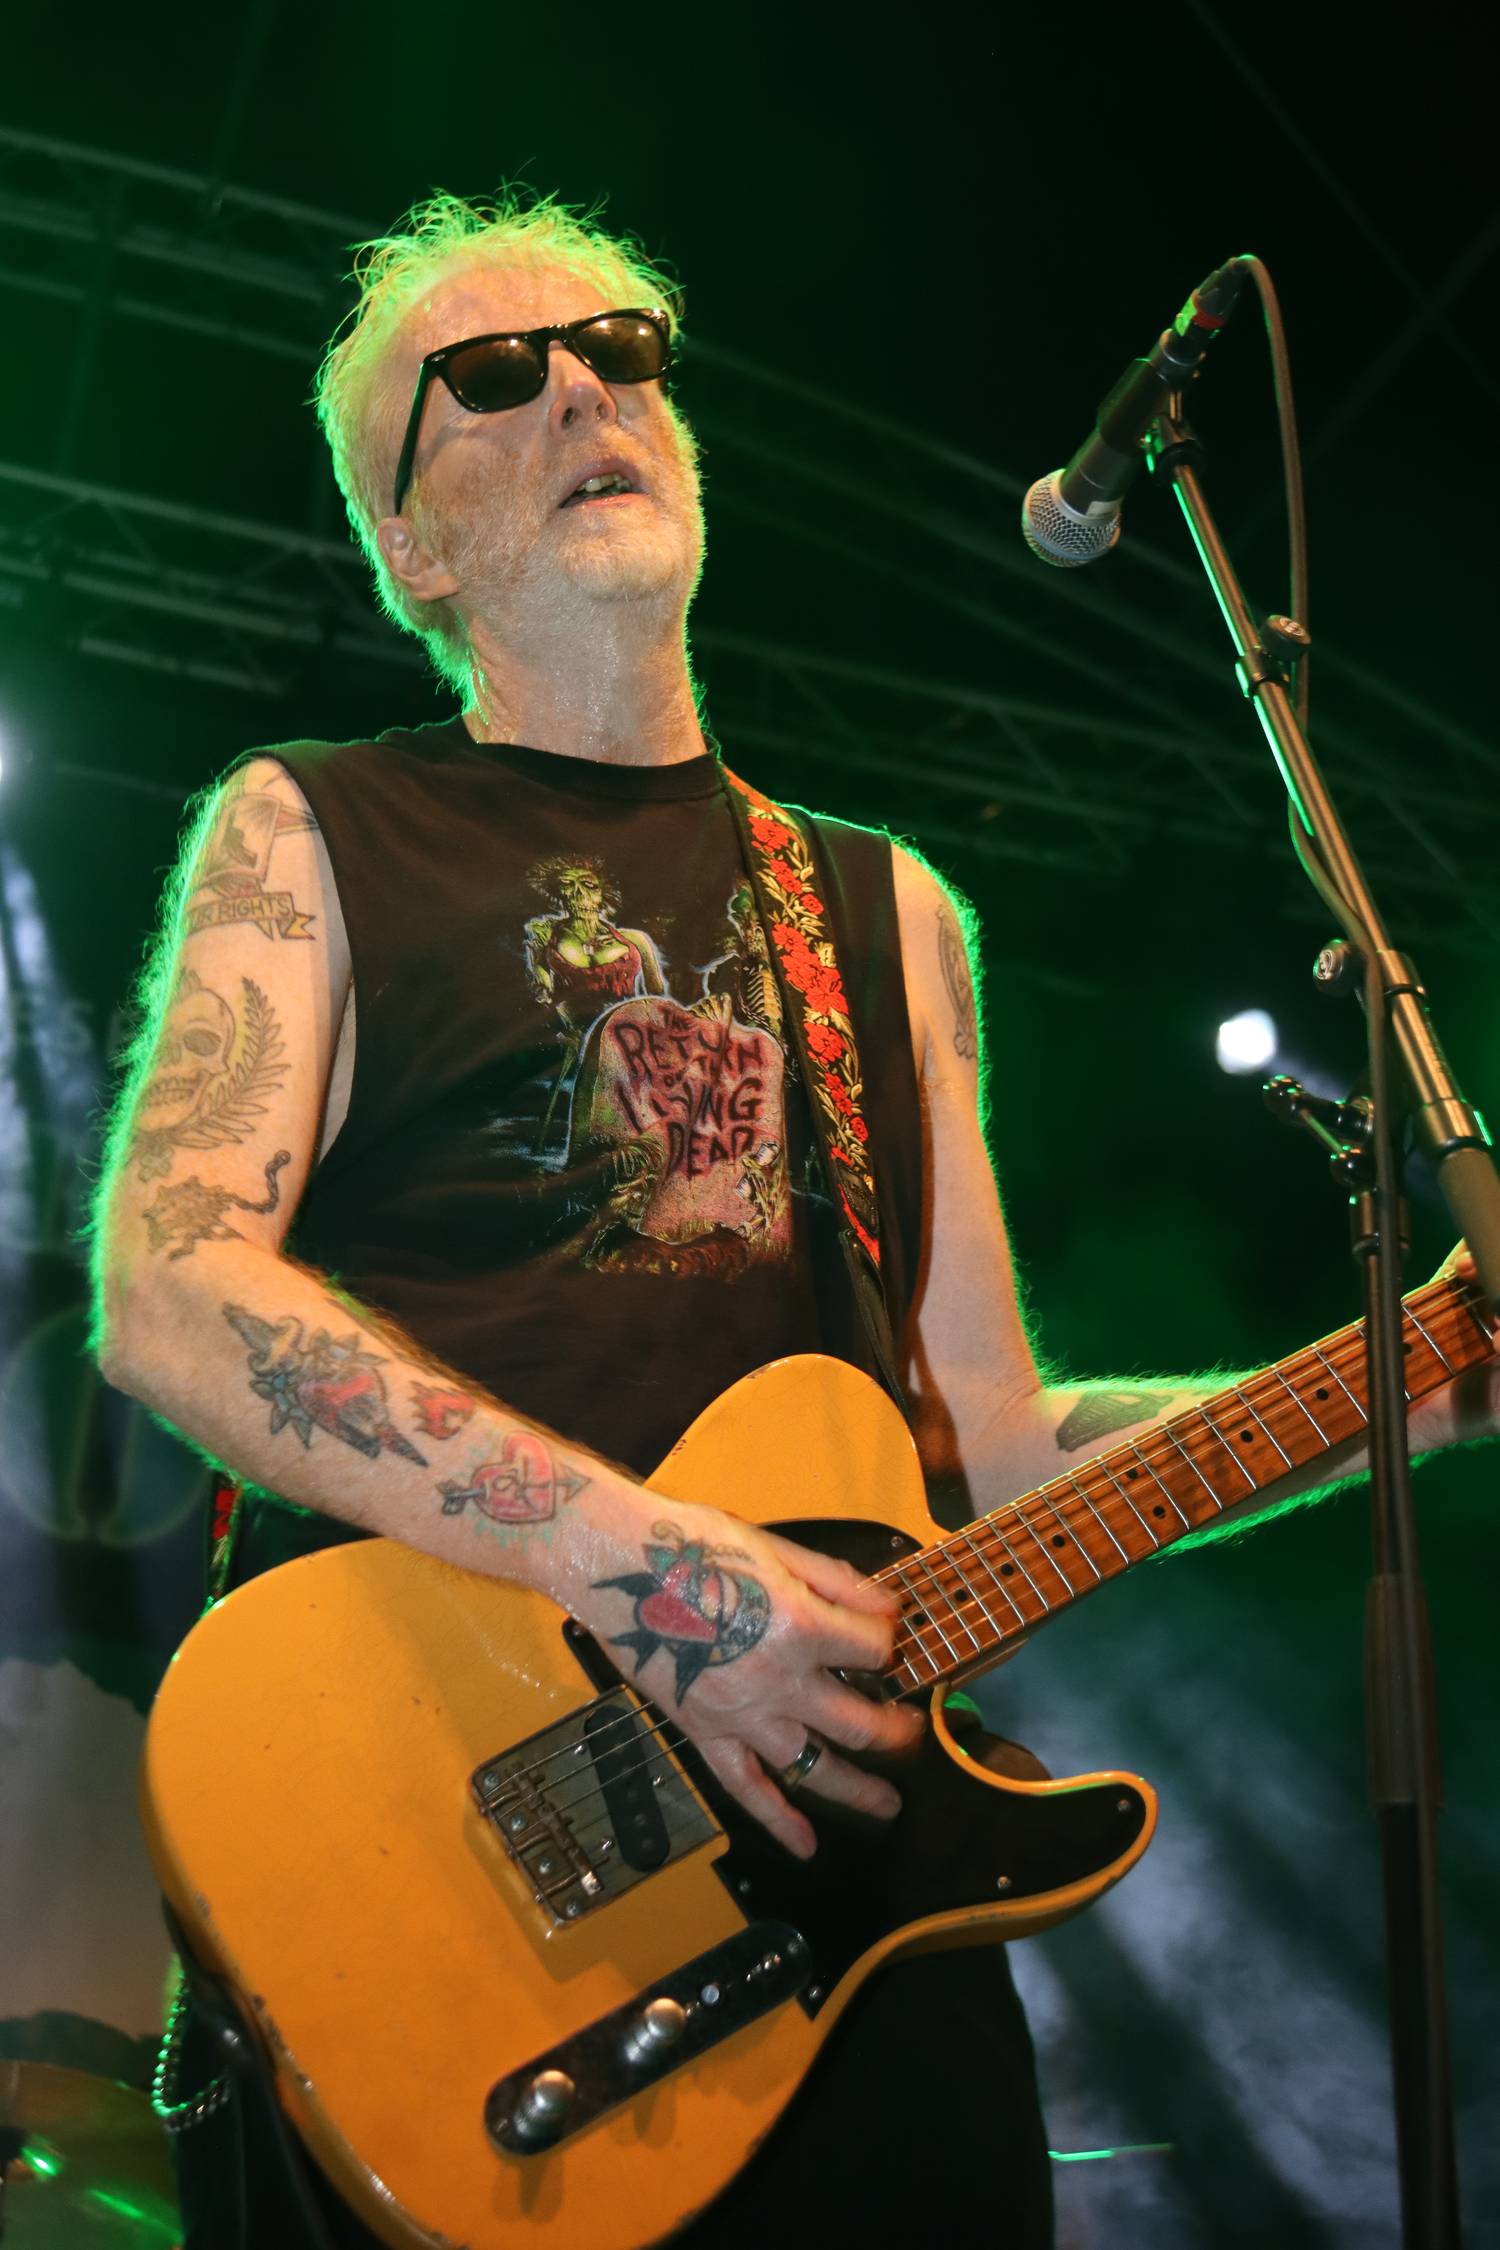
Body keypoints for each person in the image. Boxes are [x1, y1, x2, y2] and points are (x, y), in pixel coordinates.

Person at [90, 194, 1495, 2249]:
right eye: (495, 376)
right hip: (441, 1852)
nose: (584, 390)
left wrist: (1407, 1382)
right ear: (412, 545)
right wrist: (656, 1573)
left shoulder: (890, 913)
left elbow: (993, 1458)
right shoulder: (313, 827)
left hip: (852, 1926)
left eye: (623, 351)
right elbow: (170, 1282)